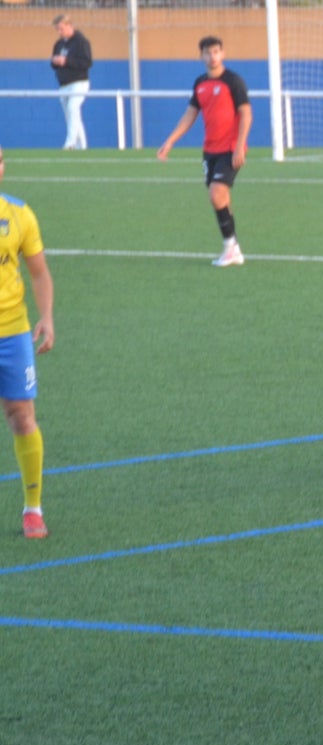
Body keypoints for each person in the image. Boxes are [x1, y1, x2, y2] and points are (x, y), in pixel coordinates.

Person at [157, 35, 253, 268]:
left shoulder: (233, 81)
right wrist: (170, 141)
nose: (212, 56)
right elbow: (190, 114)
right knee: (221, 199)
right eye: (208, 52)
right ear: (201, 56)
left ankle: (229, 246)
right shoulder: (200, 83)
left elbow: (246, 113)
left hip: (230, 149)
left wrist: (240, 145)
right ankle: (235, 249)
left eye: (216, 51)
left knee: (216, 193)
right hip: (210, 151)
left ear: (223, 54)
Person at [0, 147, 56, 539]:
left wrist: (47, 317)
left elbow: (39, 272)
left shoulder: (19, 213)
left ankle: (32, 508)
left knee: (22, 416)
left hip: (13, 332)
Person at [50, 15, 92, 152]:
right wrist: (55, 61)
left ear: (69, 26)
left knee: (73, 107)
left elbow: (87, 62)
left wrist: (66, 61)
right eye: (57, 29)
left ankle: (70, 143)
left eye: (61, 29)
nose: (59, 32)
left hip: (79, 82)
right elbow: (54, 62)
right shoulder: (59, 44)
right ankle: (81, 146)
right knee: (71, 115)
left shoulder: (81, 42)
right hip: (64, 84)